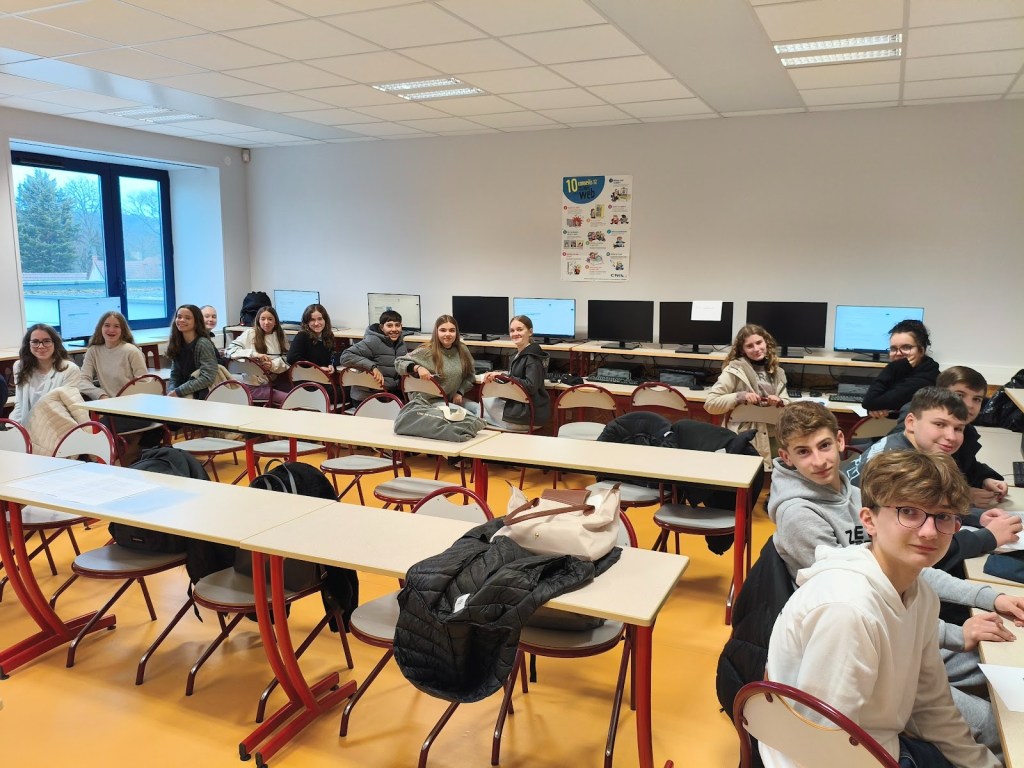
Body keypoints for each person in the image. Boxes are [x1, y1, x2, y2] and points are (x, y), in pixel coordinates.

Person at [763, 450, 1005, 768]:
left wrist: (982, 764)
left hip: (875, 743)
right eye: (909, 512)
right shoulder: (848, 611)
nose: (929, 531)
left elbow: (930, 702)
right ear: (869, 520)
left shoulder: (919, 595)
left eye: (943, 516)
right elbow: (820, 746)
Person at [893, 366, 1008, 509]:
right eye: (959, 395)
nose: (969, 405)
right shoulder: (914, 430)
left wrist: (985, 479)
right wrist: (963, 496)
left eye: (977, 399)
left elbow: (965, 465)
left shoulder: (966, 431)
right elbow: (913, 492)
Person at [704, 324, 790, 468]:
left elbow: (788, 405)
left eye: (759, 343)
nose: (756, 349)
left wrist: (780, 401)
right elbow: (711, 404)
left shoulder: (778, 372)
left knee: (775, 472)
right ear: (742, 350)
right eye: (749, 346)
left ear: (766, 342)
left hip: (773, 434)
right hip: (744, 436)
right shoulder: (734, 371)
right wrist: (739, 396)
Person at [480, 315, 550, 430]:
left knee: (479, 409)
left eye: (519, 329)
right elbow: (515, 377)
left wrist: (503, 376)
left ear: (530, 332)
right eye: (512, 330)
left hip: (527, 416)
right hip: (521, 409)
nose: (515, 333)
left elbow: (530, 386)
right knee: (482, 405)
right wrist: (499, 375)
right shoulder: (517, 355)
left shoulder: (532, 359)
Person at [862, 319, 939, 418]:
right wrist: (875, 408)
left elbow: (869, 401)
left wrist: (891, 368)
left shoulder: (925, 378)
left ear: (921, 351)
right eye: (893, 349)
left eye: (906, 347)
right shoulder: (902, 370)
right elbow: (878, 404)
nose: (898, 353)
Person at [395, 314, 475, 407]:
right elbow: (399, 362)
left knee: (479, 410)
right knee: (467, 415)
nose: (448, 334)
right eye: (443, 330)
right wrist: (418, 368)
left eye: (452, 330)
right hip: (428, 402)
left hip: (451, 399)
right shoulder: (426, 351)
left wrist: (460, 392)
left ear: (456, 332)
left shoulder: (462, 349)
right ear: (436, 332)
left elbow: (470, 375)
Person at [10, 324, 83, 424]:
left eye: (46, 341)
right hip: (26, 426)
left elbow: (67, 409)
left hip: (58, 425)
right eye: (35, 342)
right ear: (28, 344)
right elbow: (20, 403)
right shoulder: (20, 366)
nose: (41, 346)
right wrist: (15, 427)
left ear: (55, 343)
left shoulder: (70, 370)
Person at [336, 309, 408, 404]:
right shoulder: (373, 341)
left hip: (387, 392)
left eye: (397, 325)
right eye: (389, 325)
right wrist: (372, 367)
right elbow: (345, 356)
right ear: (382, 327)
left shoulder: (401, 343)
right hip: (367, 396)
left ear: (401, 326)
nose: (394, 329)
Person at [78, 310, 148, 400]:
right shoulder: (93, 351)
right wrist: (100, 395)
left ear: (122, 330)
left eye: (116, 326)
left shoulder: (132, 351)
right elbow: (82, 381)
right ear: (100, 328)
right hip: (107, 403)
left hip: (131, 402)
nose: (111, 330)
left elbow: (144, 383)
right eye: (107, 325)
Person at [226, 305, 290, 399]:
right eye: (263, 319)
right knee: (288, 399)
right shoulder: (250, 333)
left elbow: (287, 358)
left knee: (295, 394)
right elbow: (230, 351)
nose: (266, 322)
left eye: (270, 319)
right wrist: (255, 355)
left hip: (274, 381)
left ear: (275, 321)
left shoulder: (280, 335)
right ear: (258, 320)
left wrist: (272, 365)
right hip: (254, 385)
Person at [166, 304, 219, 399]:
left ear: (197, 321)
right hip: (182, 393)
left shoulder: (203, 343)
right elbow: (175, 375)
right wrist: (171, 391)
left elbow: (208, 377)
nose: (182, 320)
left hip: (201, 395)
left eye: (187, 318)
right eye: (179, 317)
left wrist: (178, 392)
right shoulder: (177, 343)